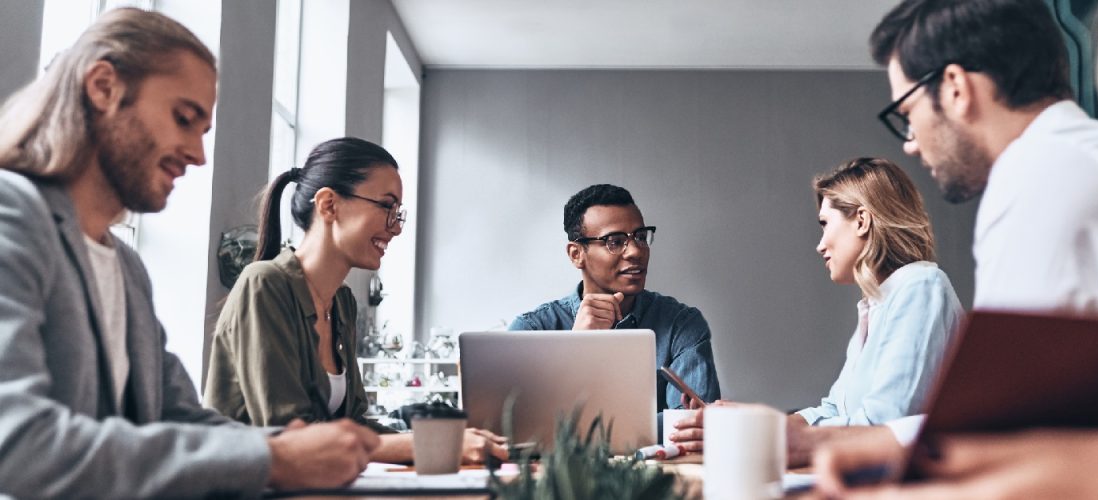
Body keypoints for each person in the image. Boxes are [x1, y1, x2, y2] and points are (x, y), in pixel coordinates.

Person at [812, 0, 1098, 496]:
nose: (910, 142)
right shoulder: (1094, 156)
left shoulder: (1044, 171)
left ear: (954, 87)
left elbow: (1002, 430)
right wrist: (859, 443)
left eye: (907, 113)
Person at [0, 9, 379, 498]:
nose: (199, 154)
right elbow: (17, 441)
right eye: (184, 119)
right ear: (102, 87)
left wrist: (301, 446)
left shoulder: (124, 266)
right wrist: (272, 457)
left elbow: (178, 416)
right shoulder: (12, 215)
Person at [204, 137, 507, 464]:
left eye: (398, 213)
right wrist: (433, 446)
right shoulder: (265, 284)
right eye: (386, 206)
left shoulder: (342, 303)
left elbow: (354, 425)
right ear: (328, 204)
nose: (396, 228)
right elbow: (290, 435)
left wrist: (448, 440)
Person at [671, 158, 963, 466]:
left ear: (862, 221)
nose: (820, 245)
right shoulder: (875, 306)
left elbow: (883, 425)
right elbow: (835, 409)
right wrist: (750, 421)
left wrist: (763, 432)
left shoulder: (920, 286)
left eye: (825, 224)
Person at [509, 184, 721, 414]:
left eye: (640, 237)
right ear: (576, 254)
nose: (636, 252)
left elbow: (692, 425)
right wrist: (574, 350)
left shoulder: (680, 325)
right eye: (615, 241)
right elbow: (514, 427)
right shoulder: (531, 331)